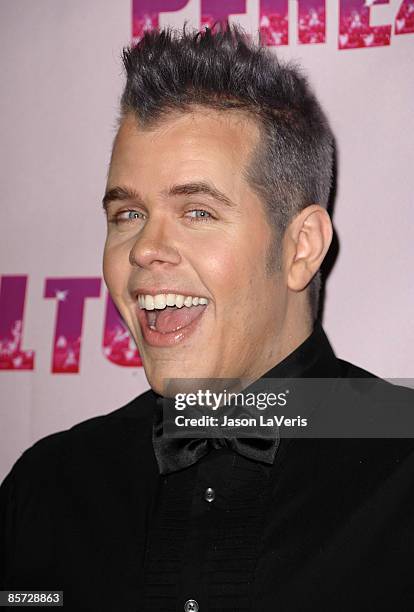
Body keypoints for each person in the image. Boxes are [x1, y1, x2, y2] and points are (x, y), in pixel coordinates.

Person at [1, 24, 413, 612]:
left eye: (196, 210)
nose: (143, 249)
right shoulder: (47, 486)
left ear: (300, 248)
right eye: (127, 215)